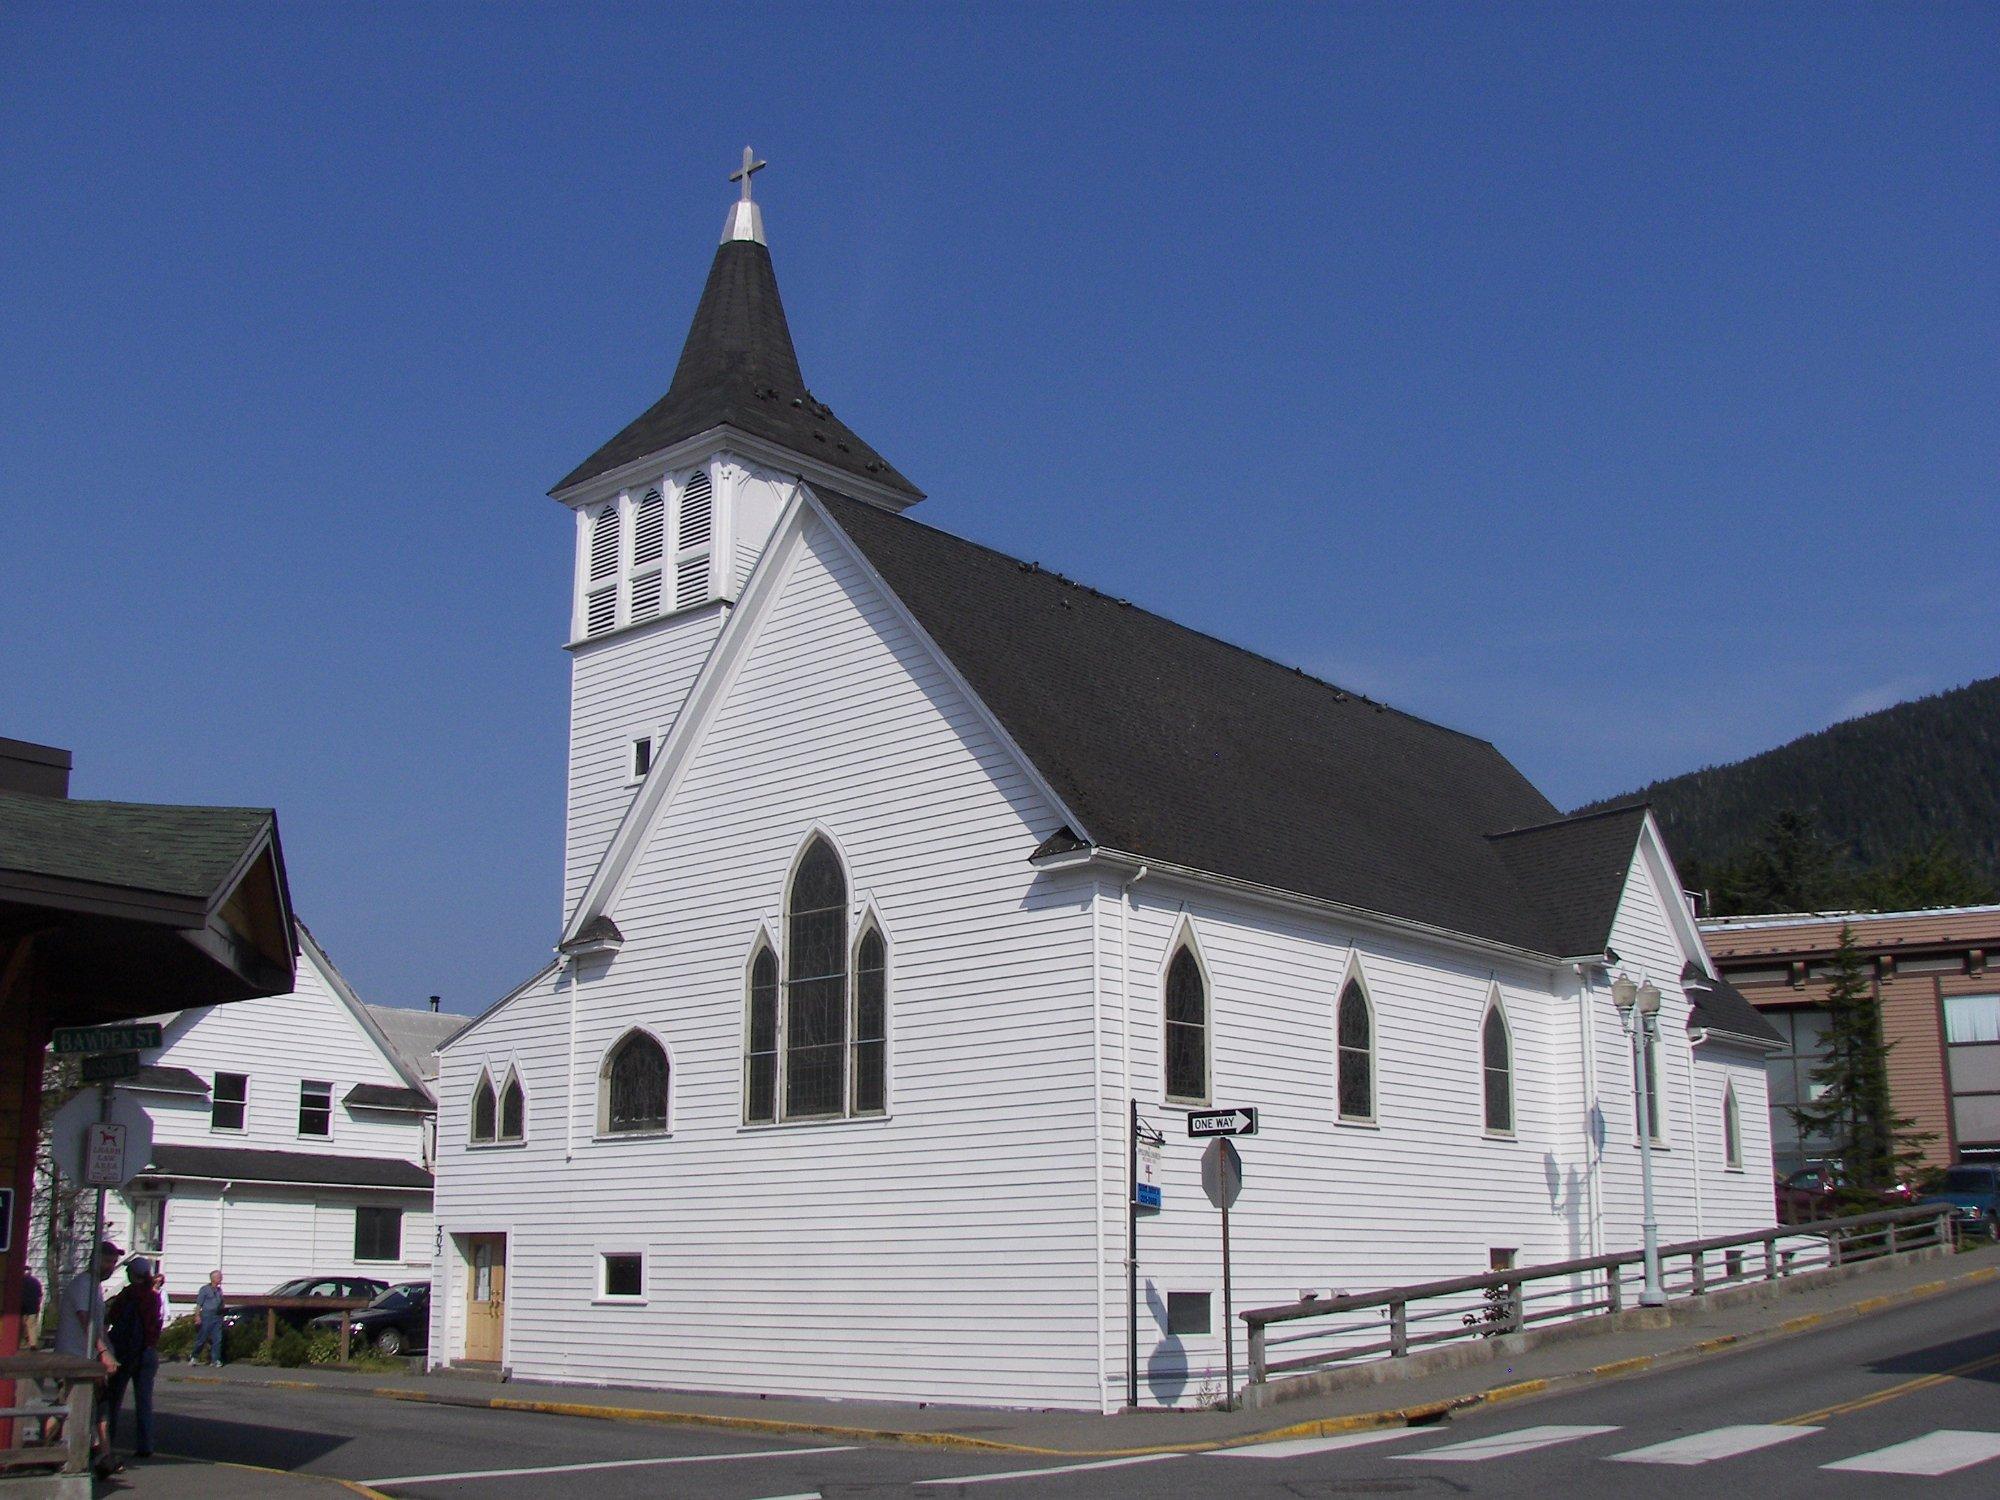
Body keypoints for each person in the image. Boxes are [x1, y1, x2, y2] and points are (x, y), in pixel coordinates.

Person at [54, 1240, 122, 1477]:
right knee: (64, 1407)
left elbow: (99, 1326)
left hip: (87, 1358)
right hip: (72, 1357)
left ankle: (105, 1455)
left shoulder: (95, 1287)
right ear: (95, 1260)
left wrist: (107, 1352)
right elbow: (86, 1320)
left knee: (97, 1406)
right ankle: (39, 1447)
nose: (110, 1266)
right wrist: (102, 1352)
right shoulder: (84, 1284)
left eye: (113, 1262)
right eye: (106, 1261)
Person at [103, 1257, 164, 1461]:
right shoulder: (153, 1297)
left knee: (114, 1399)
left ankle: (107, 1442)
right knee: (144, 1400)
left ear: (132, 1274)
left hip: (126, 1350)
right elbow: (156, 1323)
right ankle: (145, 1444)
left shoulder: (128, 1295)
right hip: (147, 1350)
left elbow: (111, 1317)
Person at [192, 1269, 226, 1366]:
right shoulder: (204, 1289)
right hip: (207, 1316)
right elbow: (199, 1304)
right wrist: (197, 1316)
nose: (221, 1279)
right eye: (219, 1277)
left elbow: (221, 1303)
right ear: (213, 1278)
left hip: (217, 1316)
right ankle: (194, 1356)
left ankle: (215, 1360)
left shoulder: (219, 1291)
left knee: (217, 1339)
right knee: (202, 1338)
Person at [19, 1270, 42, 1349]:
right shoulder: (35, 1281)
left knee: (22, 1324)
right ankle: (33, 1343)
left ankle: (23, 1341)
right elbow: (40, 1295)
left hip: (22, 1306)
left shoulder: (19, 1281)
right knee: (32, 1325)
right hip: (33, 1307)